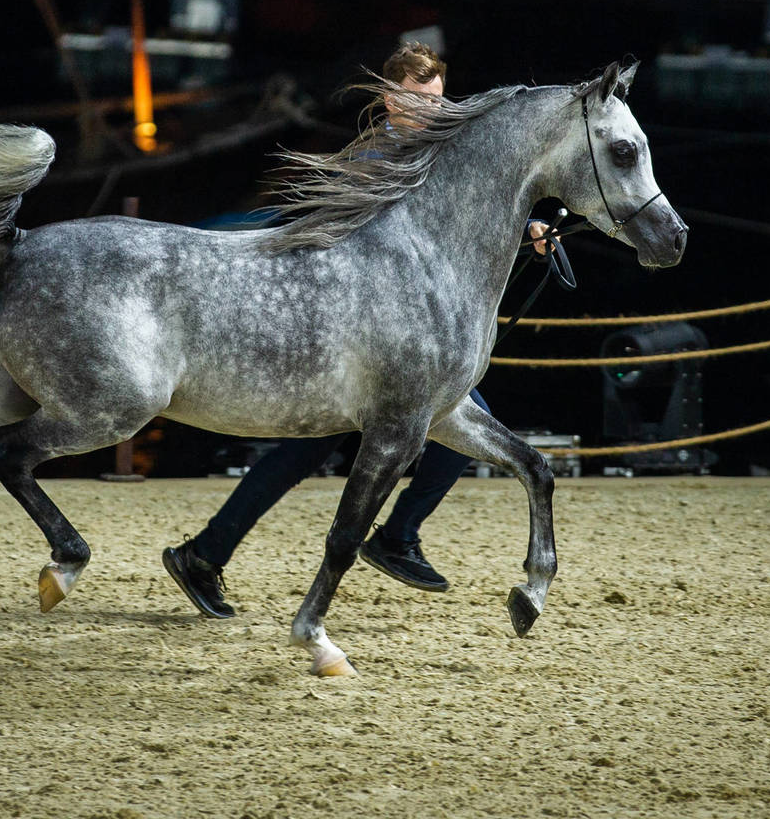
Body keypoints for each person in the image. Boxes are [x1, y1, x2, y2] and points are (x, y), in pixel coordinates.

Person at [163, 40, 551, 618]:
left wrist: (527, 227)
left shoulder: (438, 151)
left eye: (439, 100)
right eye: (419, 98)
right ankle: (385, 539)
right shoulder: (373, 155)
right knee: (311, 456)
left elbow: (455, 222)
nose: (431, 110)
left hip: (388, 347)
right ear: (390, 95)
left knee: (319, 455)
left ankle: (213, 554)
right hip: (352, 340)